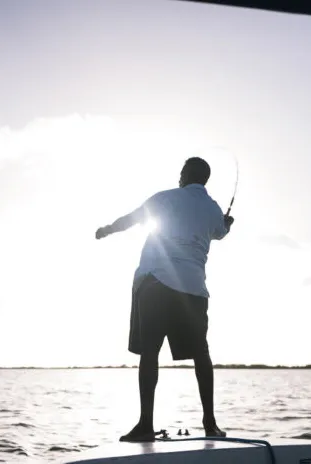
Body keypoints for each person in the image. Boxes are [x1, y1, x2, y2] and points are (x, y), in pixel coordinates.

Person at [95, 156, 234, 442]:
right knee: (201, 354)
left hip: (156, 282)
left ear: (184, 175)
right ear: (204, 180)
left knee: (150, 351)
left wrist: (107, 229)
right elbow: (220, 232)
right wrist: (227, 224)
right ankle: (210, 424)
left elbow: (131, 220)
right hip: (193, 291)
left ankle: (146, 425)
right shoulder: (213, 209)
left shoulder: (165, 198)